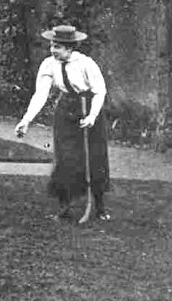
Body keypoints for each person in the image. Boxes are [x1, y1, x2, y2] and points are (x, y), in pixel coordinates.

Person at [14, 25, 111, 221]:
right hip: (65, 111)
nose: (52, 50)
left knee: (94, 157)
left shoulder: (86, 64)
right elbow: (41, 93)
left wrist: (92, 116)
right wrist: (26, 120)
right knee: (65, 158)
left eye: (57, 46)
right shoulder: (49, 64)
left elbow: (100, 90)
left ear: (69, 48)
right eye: (52, 45)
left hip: (88, 108)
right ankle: (65, 207)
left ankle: (99, 206)